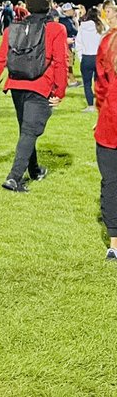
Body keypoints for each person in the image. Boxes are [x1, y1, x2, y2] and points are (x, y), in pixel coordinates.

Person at [0, 0, 69, 192]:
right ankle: (14, 177)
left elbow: (0, 59)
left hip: (16, 85)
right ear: (50, 7)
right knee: (29, 132)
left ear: (27, 7)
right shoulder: (56, 29)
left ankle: (35, 170)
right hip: (40, 86)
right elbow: (60, 62)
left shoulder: (13, 28)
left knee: (26, 131)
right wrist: (60, 92)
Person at [93, 23, 117, 260]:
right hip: (110, 119)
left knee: (111, 182)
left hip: (111, 120)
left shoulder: (108, 42)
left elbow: (101, 86)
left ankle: (114, 244)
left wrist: (102, 112)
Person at [77, 6, 103, 111]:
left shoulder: (82, 27)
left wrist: (81, 57)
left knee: (87, 83)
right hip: (99, 57)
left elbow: (78, 44)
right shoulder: (102, 27)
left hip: (87, 57)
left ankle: (90, 105)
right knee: (99, 82)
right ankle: (100, 104)